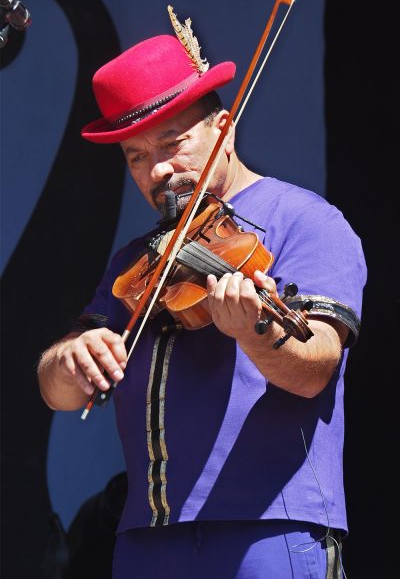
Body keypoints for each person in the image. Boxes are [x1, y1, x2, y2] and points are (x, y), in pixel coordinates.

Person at [38, 30, 367, 578]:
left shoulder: (306, 221)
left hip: (269, 527)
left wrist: (255, 331)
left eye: (172, 143)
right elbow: (58, 394)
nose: (157, 171)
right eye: (136, 156)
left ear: (224, 129)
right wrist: (69, 359)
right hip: (145, 538)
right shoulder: (136, 261)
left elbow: (316, 368)